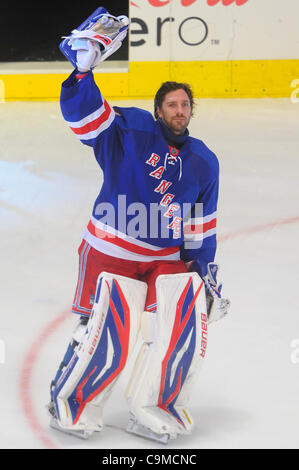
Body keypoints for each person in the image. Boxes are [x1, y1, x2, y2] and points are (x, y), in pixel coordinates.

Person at [48, 8, 229, 443]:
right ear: (158, 110)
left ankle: (156, 403)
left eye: (186, 104)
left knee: (183, 317)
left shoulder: (204, 161)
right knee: (103, 327)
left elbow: (200, 227)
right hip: (112, 247)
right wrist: (82, 73)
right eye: (172, 104)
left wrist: (204, 270)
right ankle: (72, 402)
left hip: (163, 258)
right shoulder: (129, 129)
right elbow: (85, 120)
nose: (180, 110)